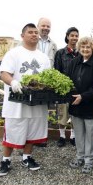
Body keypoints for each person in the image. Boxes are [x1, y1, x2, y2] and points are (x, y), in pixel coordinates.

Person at [0, 23, 51, 176]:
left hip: (36, 103)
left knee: (32, 131)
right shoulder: (14, 53)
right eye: (30, 32)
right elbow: (4, 73)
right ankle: (5, 160)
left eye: (36, 32)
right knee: (13, 130)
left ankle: (27, 157)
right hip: (17, 102)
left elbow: (48, 78)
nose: (34, 34)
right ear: (23, 36)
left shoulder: (43, 57)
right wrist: (12, 82)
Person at [67, 37, 93, 174]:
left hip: (92, 105)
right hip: (76, 105)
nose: (85, 49)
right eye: (82, 47)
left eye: (88, 47)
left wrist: (83, 96)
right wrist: (72, 96)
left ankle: (90, 159)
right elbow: (68, 81)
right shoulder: (73, 63)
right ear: (79, 48)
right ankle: (80, 156)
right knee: (79, 133)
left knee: (91, 134)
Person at [54, 27, 79, 147]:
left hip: (77, 89)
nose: (74, 38)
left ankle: (73, 136)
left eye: (76, 35)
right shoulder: (60, 53)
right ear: (67, 36)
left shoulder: (80, 53)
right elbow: (57, 72)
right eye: (72, 35)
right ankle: (62, 136)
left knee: (75, 113)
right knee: (62, 113)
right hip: (63, 90)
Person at [35, 17, 57, 147]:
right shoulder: (30, 41)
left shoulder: (53, 44)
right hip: (31, 82)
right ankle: (28, 139)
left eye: (48, 26)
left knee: (43, 111)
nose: (45, 28)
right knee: (31, 110)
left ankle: (41, 138)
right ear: (38, 26)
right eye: (43, 25)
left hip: (46, 83)